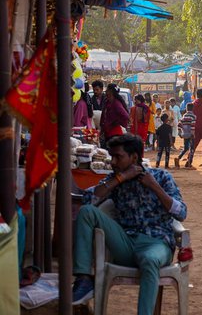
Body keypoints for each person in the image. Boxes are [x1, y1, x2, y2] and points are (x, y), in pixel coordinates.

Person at [71, 134, 187, 314]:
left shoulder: (161, 176)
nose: (113, 162)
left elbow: (182, 213)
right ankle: (84, 278)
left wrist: (155, 187)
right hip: (125, 242)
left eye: (118, 157)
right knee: (87, 213)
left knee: (149, 260)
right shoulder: (115, 180)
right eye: (112, 156)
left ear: (134, 157)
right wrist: (120, 178)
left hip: (156, 243)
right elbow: (88, 200)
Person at [175, 103, 196, 169]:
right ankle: (189, 163)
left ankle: (178, 158)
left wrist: (179, 133)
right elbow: (193, 125)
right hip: (190, 134)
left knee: (186, 148)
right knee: (192, 149)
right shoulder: (193, 116)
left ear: (186, 109)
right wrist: (192, 134)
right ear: (193, 109)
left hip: (184, 134)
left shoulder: (183, 117)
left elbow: (179, 125)